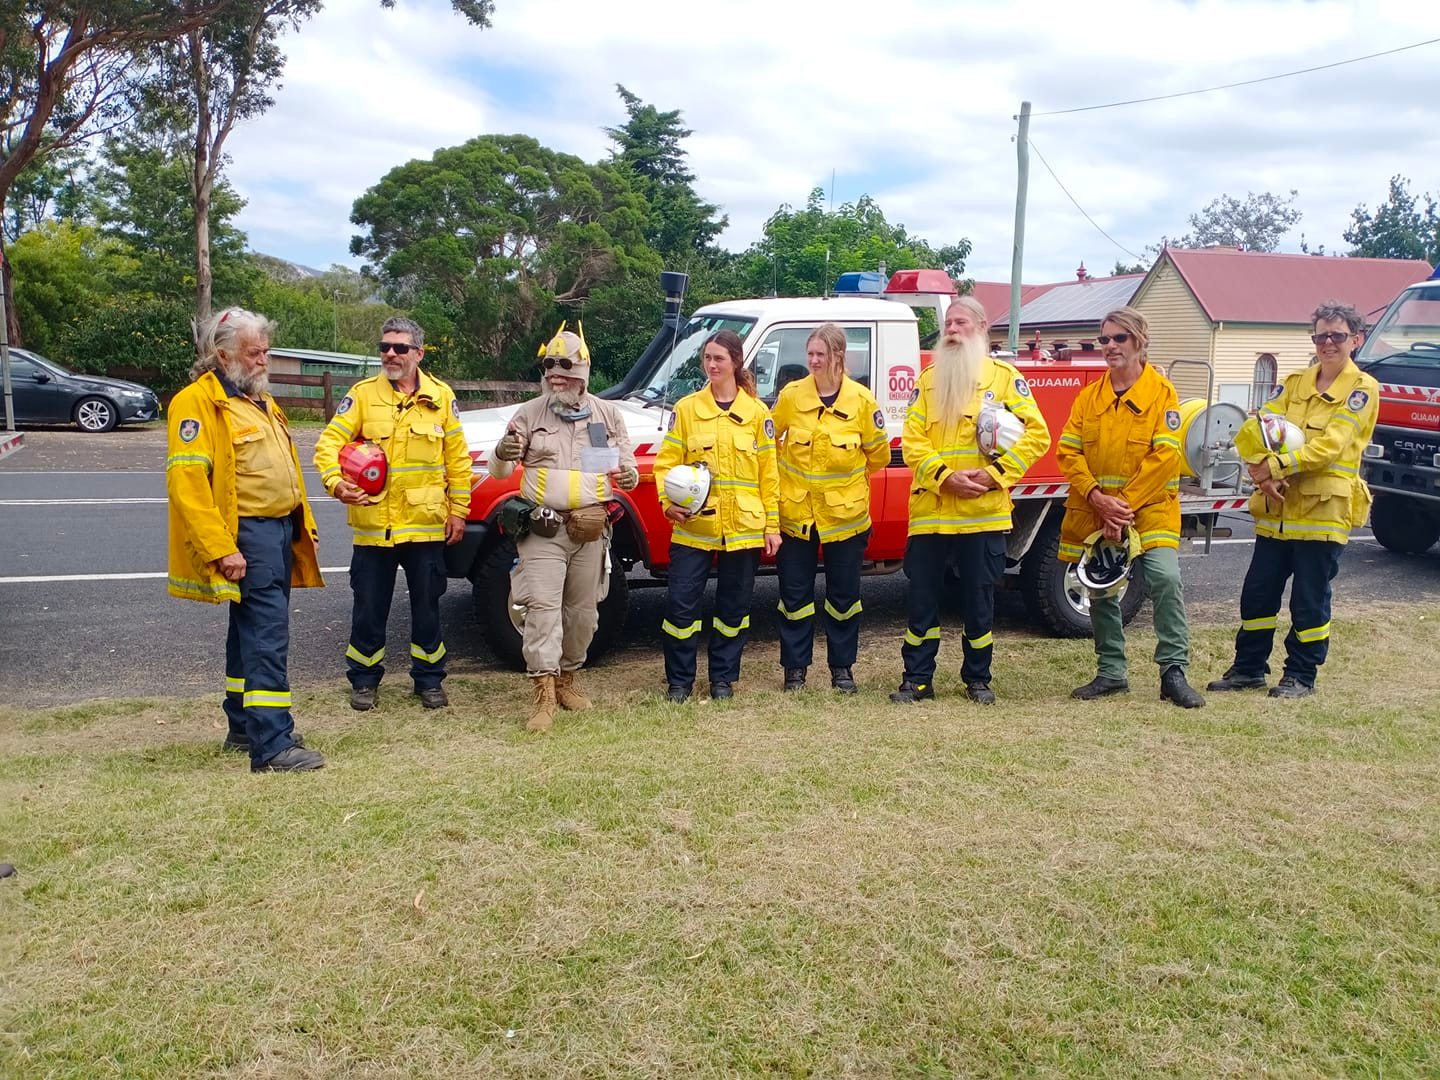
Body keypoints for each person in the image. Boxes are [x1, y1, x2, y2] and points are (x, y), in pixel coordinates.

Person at [166, 307, 325, 772]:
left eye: (265, 351)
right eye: (254, 352)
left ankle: (243, 726)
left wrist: (302, 527)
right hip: (248, 535)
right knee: (266, 637)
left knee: (248, 633)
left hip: (277, 531)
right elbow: (188, 486)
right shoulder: (197, 403)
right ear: (223, 355)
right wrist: (222, 548)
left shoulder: (257, 399)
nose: (263, 360)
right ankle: (272, 745)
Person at [1208, 300, 1380, 699]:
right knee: (1258, 593)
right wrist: (1258, 467)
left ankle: (1301, 675)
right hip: (1277, 510)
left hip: (1323, 512)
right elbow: (1257, 427)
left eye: (1337, 336)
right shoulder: (1294, 382)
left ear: (1356, 340)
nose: (1328, 343)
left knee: (1309, 600)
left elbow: (1332, 446)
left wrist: (1274, 466)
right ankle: (1249, 669)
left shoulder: (1361, 389)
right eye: (1321, 336)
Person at [891, 296, 1050, 705]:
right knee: (922, 602)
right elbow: (912, 441)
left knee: (979, 602)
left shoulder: (1004, 378)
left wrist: (996, 475)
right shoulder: (928, 380)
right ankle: (917, 680)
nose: (952, 330)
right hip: (932, 511)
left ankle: (978, 680)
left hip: (982, 512)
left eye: (960, 323)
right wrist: (945, 478)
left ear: (982, 328)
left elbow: (1038, 435)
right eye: (948, 324)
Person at [313, 317, 471, 712]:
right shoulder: (362, 395)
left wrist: (459, 511)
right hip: (375, 527)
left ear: (419, 353)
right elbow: (328, 444)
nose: (390, 354)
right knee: (369, 608)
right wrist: (335, 482)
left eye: (400, 348)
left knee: (428, 609)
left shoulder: (441, 397)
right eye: (384, 347)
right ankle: (364, 681)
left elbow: (458, 460)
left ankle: (429, 680)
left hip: (425, 526)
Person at [488, 323, 638, 732]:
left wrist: (629, 477)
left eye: (565, 370)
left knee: (584, 614)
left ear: (583, 374)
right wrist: (501, 451)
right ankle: (543, 693)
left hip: (589, 531)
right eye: (549, 369)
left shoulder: (608, 415)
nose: (555, 377)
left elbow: (627, 470)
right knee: (542, 609)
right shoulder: (528, 414)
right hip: (543, 530)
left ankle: (567, 680)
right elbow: (499, 469)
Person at [1056, 306, 1205, 708]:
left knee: (1165, 579)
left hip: (1149, 510)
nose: (1110, 346)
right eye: (1104, 339)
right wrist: (1097, 499)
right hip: (1097, 510)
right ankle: (1111, 673)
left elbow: (1165, 457)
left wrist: (1121, 508)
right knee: (1101, 588)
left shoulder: (1162, 393)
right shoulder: (1089, 397)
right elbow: (1068, 452)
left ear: (1140, 341)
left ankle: (1173, 672)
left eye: (1119, 338)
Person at [653, 329, 780, 702]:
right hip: (695, 526)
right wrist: (666, 502)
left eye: (719, 358)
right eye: (707, 358)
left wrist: (772, 525)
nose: (711, 365)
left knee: (733, 607)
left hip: (743, 528)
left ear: (736, 362)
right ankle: (679, 681)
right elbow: (666, 464)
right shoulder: (687, 410)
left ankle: (723, 678)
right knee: (681, 605)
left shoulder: (757, 414)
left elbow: (769, 476)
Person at [770, 323, 890, 692]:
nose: (814, 360)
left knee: (844, 599)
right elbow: (768, 442)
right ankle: (795, 670)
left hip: (845, 518)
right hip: (797, 517)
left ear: (839, 355)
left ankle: (842, 669)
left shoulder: (862, 401)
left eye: (821, 354)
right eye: (810, 354)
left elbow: (879, 456)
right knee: (794, 598)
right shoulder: (791, 396)